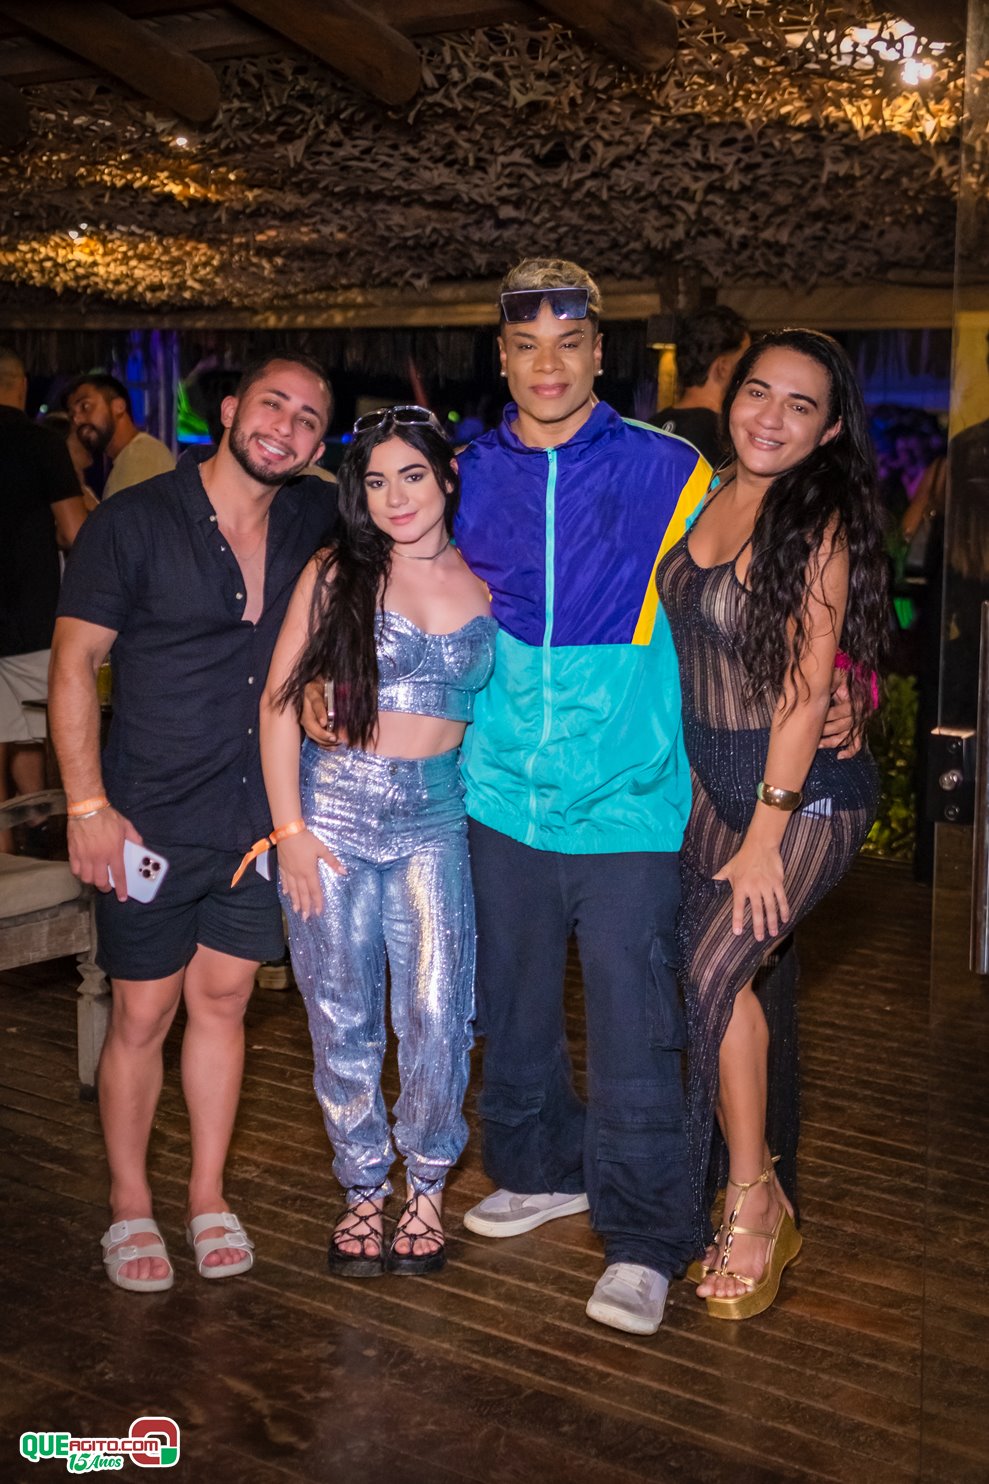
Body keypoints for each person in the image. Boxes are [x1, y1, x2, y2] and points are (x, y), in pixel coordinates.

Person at [49, 352, 338, 1292]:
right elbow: (72, 666)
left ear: (318, 447)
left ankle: (207, 1195)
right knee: (142, 1012)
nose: (285, 427)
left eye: (307, 419)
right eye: (272, 405)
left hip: (258, 822)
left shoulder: (316, 518)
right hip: (147, 822)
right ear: (230, 409)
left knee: (223, 1004)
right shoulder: (133, 521)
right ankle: (130, 1203)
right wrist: (87, 806)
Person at [656, 329, 888, 1319]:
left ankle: (752, 1201)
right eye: (759, 391)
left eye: (800, 404)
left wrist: (763, 840)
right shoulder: (705, 488)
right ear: (730, 395)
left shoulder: (816, 519)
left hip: (799, 794)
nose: (771, 416)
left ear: (829, 429)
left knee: (711, 973)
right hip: (708, 784)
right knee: (711, 979)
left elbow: (801, 695)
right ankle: (750, 1185)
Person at [259, 406, 494, 1278]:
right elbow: (278, 701)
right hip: (332, 816)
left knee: (439, 1009)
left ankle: (426, 1184)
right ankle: (362, 1184)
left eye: (413, 475)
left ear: (448, 478)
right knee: (339, 1011)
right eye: (377, 480)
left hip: (436, 818)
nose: (396, 497)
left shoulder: (489, 578)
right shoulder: (337, 571)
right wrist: (289, 831)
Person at [0, 347, 88, 842]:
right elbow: (75, 532)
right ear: (20, 385)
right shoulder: (41, 443)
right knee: (53, 745)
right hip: (32, 618)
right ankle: (53, 855)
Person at [651, 306, 751, 468]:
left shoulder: (650, 426)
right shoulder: (723, 438)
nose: (748, 371)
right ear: (723, 367)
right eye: (744, 361)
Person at [65, 372, 174, 498]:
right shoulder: (129, 456)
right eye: (72, 415)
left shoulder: (141, 455)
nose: (77, 420)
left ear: (119, 406)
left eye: (85, 406)